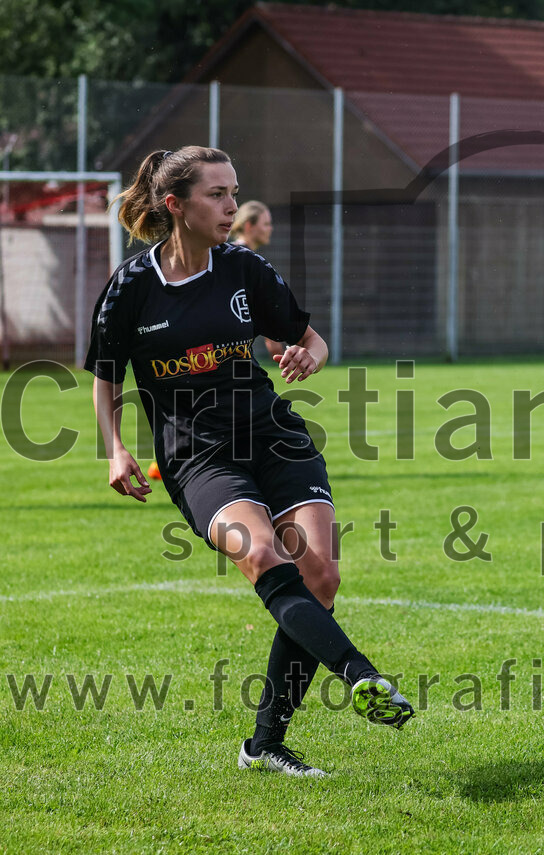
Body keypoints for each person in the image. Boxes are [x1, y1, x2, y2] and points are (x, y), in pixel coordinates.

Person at [86, 146, 413, 778]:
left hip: (275, 437)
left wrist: (311, 353)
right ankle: (362, 675)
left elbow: (307, 335)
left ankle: (263, 745)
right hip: (197, 458)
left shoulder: (244, 268)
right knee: (263, 556)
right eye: (217, 194)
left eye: (235, 191)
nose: (232, 205)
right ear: (175, 206)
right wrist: (117, 448)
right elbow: (106, 377)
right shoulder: (130, 287)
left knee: (320, 579)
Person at [229, 200, 286, 362]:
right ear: (249, 226)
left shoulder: (237, 255)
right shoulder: (240, 257)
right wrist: (272, 336)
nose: (270, 228)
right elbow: (249, 299)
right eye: (266, 224)